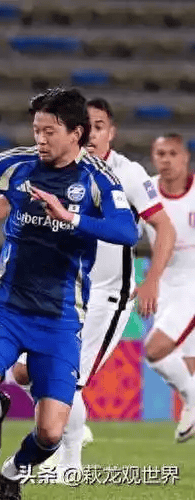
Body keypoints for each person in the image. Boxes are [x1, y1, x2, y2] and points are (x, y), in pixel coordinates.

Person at [0, 98, 175, 477]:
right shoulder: (26, 163)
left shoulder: (113, 175)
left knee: (58, 412)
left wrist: (73, 219)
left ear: (80, 133)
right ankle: (19, 417)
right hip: (18, 302)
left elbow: (136, 230)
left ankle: (44, 466)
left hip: (84, 305)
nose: (41, 139)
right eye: (37, 131)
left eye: (49, 132)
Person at [143, 133, 195, 443]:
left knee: (155, 349)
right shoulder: (146, 192)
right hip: (165, 286)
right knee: (188, 367)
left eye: (173, 153)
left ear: (185, 157)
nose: (166, 159)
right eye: (160, 153)